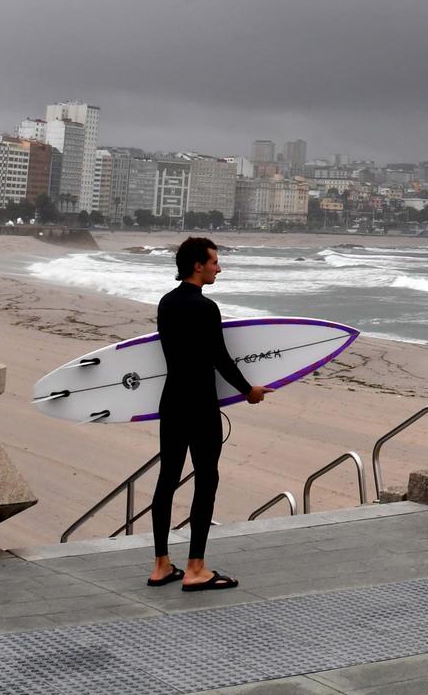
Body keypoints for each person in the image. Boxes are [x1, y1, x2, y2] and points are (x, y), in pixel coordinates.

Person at [148, 236, 268, 590]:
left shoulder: (166, 304)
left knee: (167, 480)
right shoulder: (206, 308)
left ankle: (160, 565)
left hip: (171, 403)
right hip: (200, 405)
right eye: (214, 261)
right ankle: (195, 569)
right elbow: (219, 359)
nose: (219, 267)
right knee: (206, 480)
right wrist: (249, 391)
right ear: (198, 265)